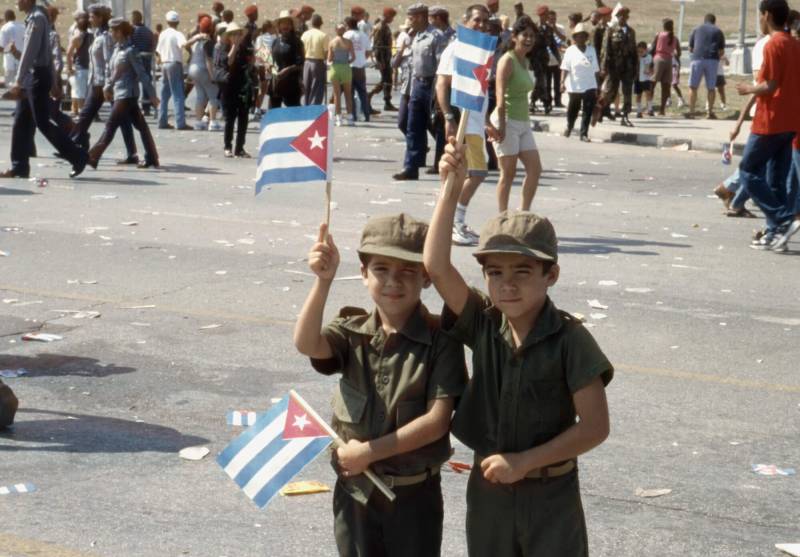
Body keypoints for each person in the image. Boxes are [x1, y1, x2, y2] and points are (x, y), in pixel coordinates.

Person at [425, 144, 613, 557]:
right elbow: (437, 267)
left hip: (550, 492)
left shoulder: (570, 340)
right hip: (490, 489)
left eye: (522, 272)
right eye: (495, 273)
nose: (507, 284)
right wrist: (449, 189)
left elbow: (595, 427)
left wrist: (525, 462)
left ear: (552, 275)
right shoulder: (485, 323)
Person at [293, 215, 467, 557]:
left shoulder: (441, 340)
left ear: (427, 277)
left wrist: (367, 453)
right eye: (381, 269)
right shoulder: (351, 331)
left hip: (413, 498)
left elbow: (436, 422)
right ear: (363, 273)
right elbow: (307, 343)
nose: (393, 281)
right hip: (355, 494)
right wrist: (323, 282)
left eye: (407, 271)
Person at [736, 0, 800, 252]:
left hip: (771, 120)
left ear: (768, 15)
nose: (760, 20)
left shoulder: (774, 44)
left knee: (748, 170)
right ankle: (775, 234)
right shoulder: (795, 44)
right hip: (790, 120)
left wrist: (747, 88)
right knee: (776, 179)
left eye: (760, 15)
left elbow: (770, 86)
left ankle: (783, 218)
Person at [1, 0, 88, 179]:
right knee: (21, 121)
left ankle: (77, 156)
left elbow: (31, 53)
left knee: (42, 122)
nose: (17, 2)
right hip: (34, 76)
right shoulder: (35, 18)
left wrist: (18, 81)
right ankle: (19, 166)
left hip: (35, 77)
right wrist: (54, 83)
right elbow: (45, 53)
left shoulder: (37, 19)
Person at [435, 4, 491, 246]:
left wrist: (488, 121)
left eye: (484, 21)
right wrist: (448, 117)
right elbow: (442, 85)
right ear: (466, 21)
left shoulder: (481, 50)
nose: (481, 25)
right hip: (464, 122)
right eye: (477, 20)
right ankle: (452, 222)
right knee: (476, 173)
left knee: (468, 173)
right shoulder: (455, 49)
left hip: (477, 121)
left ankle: (453, 221)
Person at [87, 18, 160, 169]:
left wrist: (152, 95)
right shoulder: (117, 49)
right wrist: (108, 87)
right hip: (120, 93)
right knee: (142, 126)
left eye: (113, 30)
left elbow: (142, 74)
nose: (111, 33)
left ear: (120, 32)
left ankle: (93, 156)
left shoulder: (130, 51)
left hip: (127, 94)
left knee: (110, 125)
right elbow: (112, 71)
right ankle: (152, 157)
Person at [70, 4, 138, 165]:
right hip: (97, 81)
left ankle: (71, 145)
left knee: (87, 115)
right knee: (122, 120)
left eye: (92, 16)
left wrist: (109, 84)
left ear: (100, 18)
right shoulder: (97, 34)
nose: (89, 19)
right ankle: (73, 144)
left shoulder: (107, 36)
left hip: (102, 83)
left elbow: (109, 61)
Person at [489, 16, 541, 212]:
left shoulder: (525, 61)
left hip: (523, 122)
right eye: (525, 35)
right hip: (507, 121)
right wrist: (501, 127)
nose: (529, 39)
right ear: (514, 37)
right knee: (508, 174)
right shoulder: (507, 60)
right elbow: (500, 96)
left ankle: (523, 214)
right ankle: (502, 216)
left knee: (535, 170)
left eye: (532, 36)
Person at [392, 4, 446, 181]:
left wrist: (439, 92)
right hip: (417, 85)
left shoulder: (436, 37)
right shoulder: (415, 37)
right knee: (412, 127)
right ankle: (411, 167)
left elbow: (441, 66)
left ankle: (442, 161)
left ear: (421, 17)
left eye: (412, 17)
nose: (409, 21)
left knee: (437, 124)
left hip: (432, 85)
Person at [214, 22, 253, 157]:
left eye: (238, 34)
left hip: (242, 86)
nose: (237, 36)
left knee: (243, 118)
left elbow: (251, 62)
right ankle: (227, 146)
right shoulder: (223, 48)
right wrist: (234, 47)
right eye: (233, 34)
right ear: (229, 36)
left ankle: (240, 147)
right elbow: (228, 62)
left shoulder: (245, 48)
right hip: (228, 87)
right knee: (230, 118)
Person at [596, 7, 637, 127]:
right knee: (609, 91)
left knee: (627, 92)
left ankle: (625, 116)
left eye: (624, 16)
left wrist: (635, 67)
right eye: (620, 16)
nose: (622, 18)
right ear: (617, 17)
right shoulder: (611, 30)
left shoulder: (631, 32)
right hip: (614, 66)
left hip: (628, 67)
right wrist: (603, 67)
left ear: (627, 17)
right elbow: (605, 50)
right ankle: (601, 110)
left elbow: (634, 51)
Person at [560, 23, 599, 142]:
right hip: (575, 86)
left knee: (587, 110)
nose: (581, 38)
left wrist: (598, 85)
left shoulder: (591, 50)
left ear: (586, 37)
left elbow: (596, 69)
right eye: (578, 36)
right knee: (573, 110)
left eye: (583, 36)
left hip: (590, 85)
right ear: (575, 38)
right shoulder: (570, 51)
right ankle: (570, 126)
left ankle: (584, 133)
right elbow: (565, 68)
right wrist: (562, 82)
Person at [687, 14, 725, 119]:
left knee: (693, 87)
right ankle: (709, 112)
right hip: (712, 59)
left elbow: (690, 48)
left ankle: (691, 112)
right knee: (711, 88)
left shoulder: (696, 29)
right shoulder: (718, 31)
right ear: (714, 21)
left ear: (704, 20)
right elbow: (721, 51)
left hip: (697, 58)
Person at [155, 10, 189, 130]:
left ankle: (161, 121)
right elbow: (184, 44)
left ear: (167, 21)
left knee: (164, 94)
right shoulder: (178, 34)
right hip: (174, 63)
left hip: (164, 64)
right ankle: (180, 122)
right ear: (178, 22)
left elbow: (158, 51)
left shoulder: (163, 34)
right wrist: (196, 38)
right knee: (178, 94)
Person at [185, 16, 218, 130]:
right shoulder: (208, 41)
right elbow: (209, 60)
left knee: (200, 96)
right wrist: (212, 76)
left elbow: (185, 45)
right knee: (213, 95)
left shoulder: (196, 40)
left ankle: (199, 122)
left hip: (192, 69)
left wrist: (196, 37)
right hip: (203, 69)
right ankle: (213, 122)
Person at [270, 10, 304, 108]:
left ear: (292, 26)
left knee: (293, 115)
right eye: (283, 23)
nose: (286, 26)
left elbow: (300, 64)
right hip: (276, 83)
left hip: (292, 84)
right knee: (274, 113)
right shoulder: (275, 42)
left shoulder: (297, 42)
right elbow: (271, 60)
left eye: (288, 23)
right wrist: (270, 67)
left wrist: (287, 70)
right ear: (279, 26)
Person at [368, 7, 397, 111]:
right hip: (383, 58)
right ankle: (369, 95)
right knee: (386, 80)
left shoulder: (384, 26)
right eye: (392, 17)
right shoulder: (380, 27)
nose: (392, 19)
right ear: (387, 15)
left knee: (387, 80)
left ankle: (387, 102)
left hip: (386, 57)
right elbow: (378, 46)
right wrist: (380, 61)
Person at [529, 5, 557, 114]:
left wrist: (559, 59)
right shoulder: (534, 28)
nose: (547, 17)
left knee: (541, 81)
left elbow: (553, 45)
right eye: (545, 15)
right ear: (541, 15)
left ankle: (534, 102)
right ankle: (545, 102)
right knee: (541, 80)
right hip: (535, 58)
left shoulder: (549, 28)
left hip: (544, 58)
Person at [344, 14, 372, 121]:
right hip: (360, 67)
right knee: (362, 92)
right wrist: (362, 58)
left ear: (348, 25)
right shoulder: (363, 35)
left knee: (350, 93)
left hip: (349, 66)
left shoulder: (347, 35)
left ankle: (353, 115)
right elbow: (369, 51)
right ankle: (366, 115)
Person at [649, 18, 680, 116]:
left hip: (659, 58)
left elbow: (653, 48)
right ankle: (662, 110)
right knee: (665, 86)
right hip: (669, 60)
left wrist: (650, 62)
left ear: (663, 26)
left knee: (652, 84)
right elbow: (679, 52)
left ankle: (649, 108)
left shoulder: (659, 35)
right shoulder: (675, 38)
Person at [328, 23, 355, 126]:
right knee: (348, 94)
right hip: (345, 68)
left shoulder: (332, 42)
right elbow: (353, 57)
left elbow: (329, 58)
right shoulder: (348, 42)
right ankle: (350, 117)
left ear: (336, 30)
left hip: (335, 68)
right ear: (344, 31)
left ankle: (338, 118)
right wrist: (347, 61)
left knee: (336, 95)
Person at [66, 10, 91, 116]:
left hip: (79, 66)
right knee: (80, 91)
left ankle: (78, 111)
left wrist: (69, 67)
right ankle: (77, 111)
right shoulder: (91, 36)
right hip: (87, 67)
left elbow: (68, 53)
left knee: (78, 91)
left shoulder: (76, 37)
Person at [301, 13, 328, 105]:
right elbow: (326, 52)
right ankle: (314, 109)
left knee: (306, 86)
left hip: (306, 62)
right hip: (318, 62)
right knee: (317, 87)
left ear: (312, 23)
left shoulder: (305, 34)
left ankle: (306, 107)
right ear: (321, 23)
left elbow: (301, 49)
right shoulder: (323, 35)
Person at [393, 19, 414, 136]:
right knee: (402, 123)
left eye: (409, 30)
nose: (406, 33)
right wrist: (400, 51)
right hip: (406, 89)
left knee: (418, 124)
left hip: (418, 90)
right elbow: (394, 64)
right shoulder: (403, 41)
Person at [131, 11, 154, 116]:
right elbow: (152, 45)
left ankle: (133, 106)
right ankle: (146, 107)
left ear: (134, 19)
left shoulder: (133, 31)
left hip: (135, 61)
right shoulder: (148, 31)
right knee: (146, 83)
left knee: (133, 83)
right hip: (147, 60)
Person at [254, 20, 276, 115]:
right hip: (270, 65)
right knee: (270, 90)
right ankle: (267, 110)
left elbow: (258, 51)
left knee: (261, 89)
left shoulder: (259, 38)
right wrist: (269, 63)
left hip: (260, 65)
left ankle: (257, 109)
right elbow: (272, 51)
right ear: (269, 28)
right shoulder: (273, 38)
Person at [0, 9, 25, 88]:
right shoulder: (23, 26)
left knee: (10, 90)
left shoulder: (5, 28)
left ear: (6, 18)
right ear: (14, 17)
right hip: (22, 62)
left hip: (10, 63)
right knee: (21, 89)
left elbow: (1, 47)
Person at [545, 10, 565, 108]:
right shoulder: (544, 29)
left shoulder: (560, 28)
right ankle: (548, 101)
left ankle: (558, 101)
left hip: (558, 60)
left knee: (557, 82)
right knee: (547, 83)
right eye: (550, 19)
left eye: (554, 19)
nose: (552, 21)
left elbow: (563, 39)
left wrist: (555, 30)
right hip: (547, 60)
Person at [634, 41, 653, 118]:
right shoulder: (637, 58)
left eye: (641, 51)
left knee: (648, 93)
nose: (640, 53)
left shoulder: (649, 57)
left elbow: (648, 67)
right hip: (637, 78)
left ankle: (650, 109)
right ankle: (639, 111)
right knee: (638, 95)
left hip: (646, 79)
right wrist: (638, 58)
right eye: (638, 51)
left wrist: (649, 70)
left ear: (646, 50)